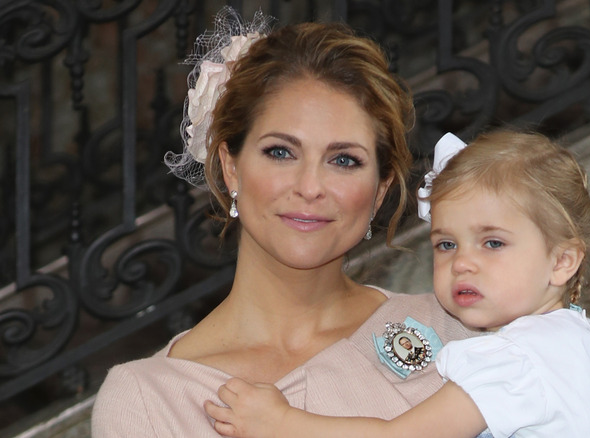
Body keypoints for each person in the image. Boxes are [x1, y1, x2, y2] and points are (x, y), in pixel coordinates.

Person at [90, 7, 477, 437]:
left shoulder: (459, 330)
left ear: (380, 189)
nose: (310, 186)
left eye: (344, 160)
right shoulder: (148, 400)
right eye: (280, 152)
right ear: (231, 167)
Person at [203, 130, 590, 437]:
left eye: (492, 243)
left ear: (562, 261)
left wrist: (284, 424)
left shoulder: (512, 360)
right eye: (446, 245)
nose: (463, 264)